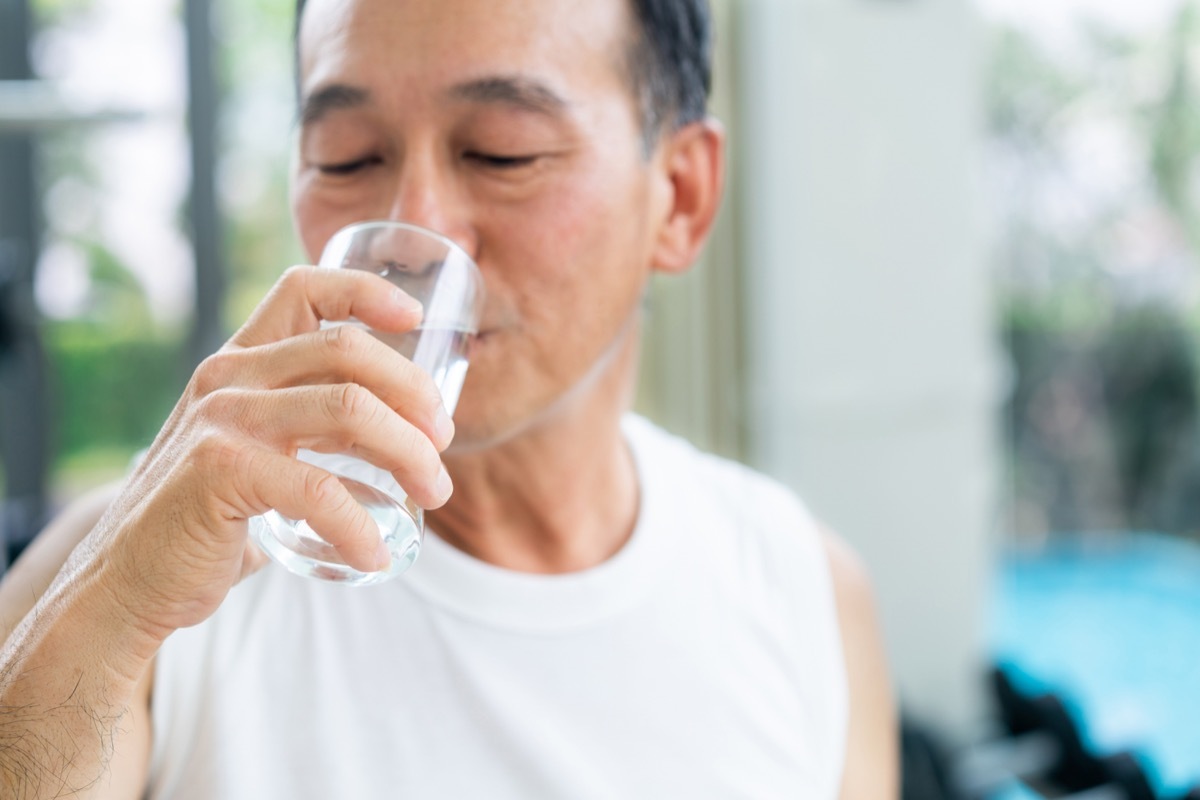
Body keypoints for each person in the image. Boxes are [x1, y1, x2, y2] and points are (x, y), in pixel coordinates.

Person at [0, 0, 898, 796]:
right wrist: (112, 606)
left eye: (503, 151)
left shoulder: (799, 589)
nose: (416, 230)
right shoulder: (132, 574)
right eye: (346, 158)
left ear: (681, 197)